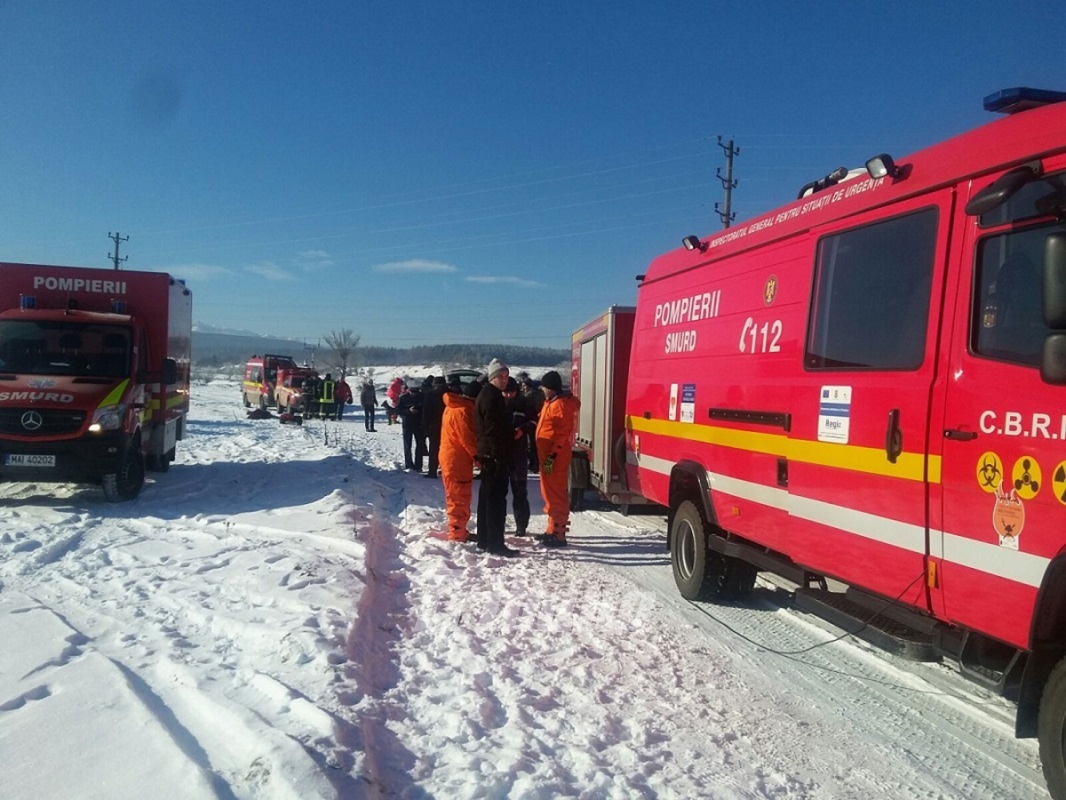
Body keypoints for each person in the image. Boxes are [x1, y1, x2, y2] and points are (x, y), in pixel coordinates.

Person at [475, 358, 518, 557]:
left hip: (489, 454)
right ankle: (495, 543)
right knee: (495, 501)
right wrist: (500, 455)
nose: (505, 379)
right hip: (494, 455)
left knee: (486, 498)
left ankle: (484, 540)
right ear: (493, 377)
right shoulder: (491, 397)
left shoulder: (489, 394)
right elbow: (493, 430)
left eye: (507, 375)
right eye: (501, 375)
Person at [535, 370, 580, 547]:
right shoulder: (551, 403)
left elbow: (562, 434)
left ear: (551, 389)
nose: (542, 390)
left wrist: (552, 457)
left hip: (554, 459)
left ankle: (559, 533)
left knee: (556, 493)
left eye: (544, 387)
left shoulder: (560, 405)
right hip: (548, 457)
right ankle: (552, 529)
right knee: (549, 492)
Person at [439, 380, 480, 541]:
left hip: (452, 457)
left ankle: (459, 530)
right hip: (457, 460)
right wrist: (478, 459)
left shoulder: (452, 407)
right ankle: (457, 533)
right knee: (458, 496)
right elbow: (468, 439)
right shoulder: (463, 411)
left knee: (456, 495)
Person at [504, 375, 536, 536]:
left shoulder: (524, 404)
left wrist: (522, 430)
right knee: (500, 493)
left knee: (520, 492)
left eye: (512, 392)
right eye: (506, 393)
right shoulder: (497, 403)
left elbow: (534, 423)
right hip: (502, 453)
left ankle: (521, 526)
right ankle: (498, 525)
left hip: (519, 454)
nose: (509, 395)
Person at [397, 380, 427, 472]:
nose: (414, 393)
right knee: (407, 445)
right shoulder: (403, 398)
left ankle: (418, 465)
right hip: (407, 424)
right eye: (412, 391)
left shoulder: (423, 397)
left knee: (420, 445)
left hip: (419, 424)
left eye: (416, 391)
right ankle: (409, 464)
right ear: (408, 389)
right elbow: (398, 411)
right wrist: (408, 411)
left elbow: (427, 410)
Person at [422, 375, 447, 479]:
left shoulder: (430, 395)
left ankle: (432, 471)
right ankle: (445, 469)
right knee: (446, 449)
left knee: (434, 449)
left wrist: (424, 427)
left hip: (434, 426)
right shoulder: (450, 394)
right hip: (448, 426)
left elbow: (426, 412)